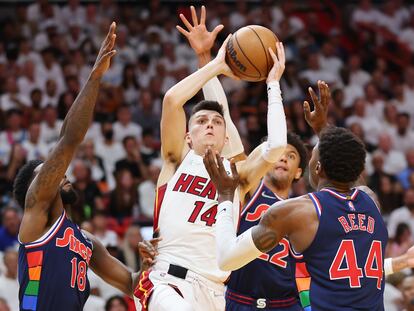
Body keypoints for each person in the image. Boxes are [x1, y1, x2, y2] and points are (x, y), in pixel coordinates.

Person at [204, 81, 414, 310]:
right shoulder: (370, 201)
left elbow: (226, 259)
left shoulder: (298, 212)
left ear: (316, 168)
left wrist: (225, 195)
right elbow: (351, 175)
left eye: (312, 154)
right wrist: (323, 128)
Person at [134, 8, 288, 311]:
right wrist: (215, 64)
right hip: (166, 282)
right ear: (188, 136)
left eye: (216, 123)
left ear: (226, 137)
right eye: (201, 120)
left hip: (215, 292)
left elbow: (277, 145)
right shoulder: (176, 160)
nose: (209, 125)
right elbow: (172, 101)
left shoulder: (239, 175)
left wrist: (272, 84)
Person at [13, 23, 158, 311]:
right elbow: (68, 140)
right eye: (47, 171)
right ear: (36, 187)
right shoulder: (35, 219)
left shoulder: (86, 240)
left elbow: (130, 283)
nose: (60, 172)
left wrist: (146, 265)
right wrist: (94, 78)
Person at [176, 6, 309, 310]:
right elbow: (224, 117)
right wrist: (205, 60)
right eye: (281, 153)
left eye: (291, 156)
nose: (282, 159)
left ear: (300, 171)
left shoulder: (302, 209)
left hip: (284, 302)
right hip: (240, 299)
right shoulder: (247, 183)